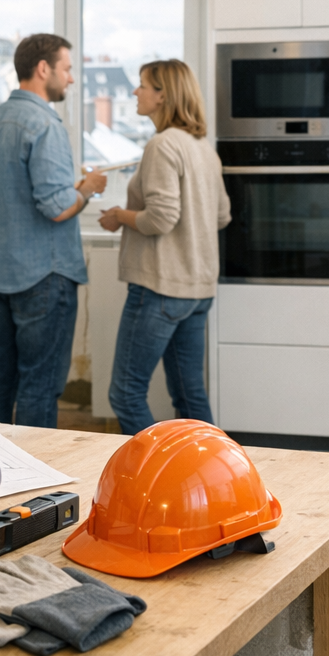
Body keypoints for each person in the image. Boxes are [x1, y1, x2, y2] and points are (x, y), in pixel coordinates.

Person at [0, 34, 106, 428]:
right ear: (44, 69)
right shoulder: (45, 125)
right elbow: (58, 207)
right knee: (39, 386)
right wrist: (88, 190)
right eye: (68, 69)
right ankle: (35, 480)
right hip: (45, 277)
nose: (71, 79)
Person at [100, 59, 231, 436]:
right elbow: (221, 216)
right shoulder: (202, 147)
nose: (135, 93)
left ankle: (162, 472)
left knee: (125, 394)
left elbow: (160, 218)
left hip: (160, 288)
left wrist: (120, 216)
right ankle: (211, 481)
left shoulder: (161, 145)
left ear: (162, 95)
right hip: (197, 289)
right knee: (190, 397)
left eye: (142, 85)